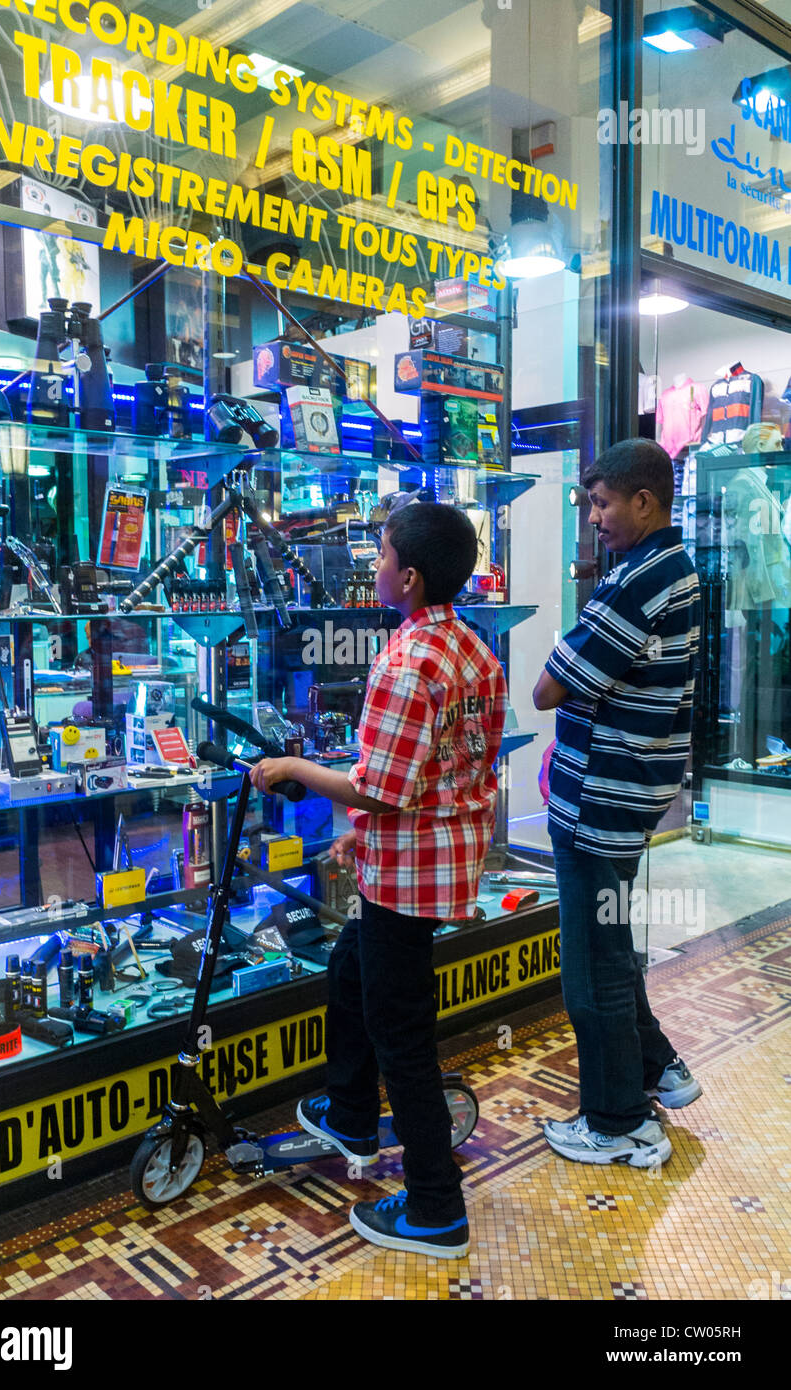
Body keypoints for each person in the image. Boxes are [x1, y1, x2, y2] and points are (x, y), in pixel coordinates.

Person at [250, 501, 506, 1257]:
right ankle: (352, 1111)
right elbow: (451, 772)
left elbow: (381, 784)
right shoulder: (473, 649)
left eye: (384, 553)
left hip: (407, 879)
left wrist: (295, 769)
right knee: (349, 970)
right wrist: (366, 832)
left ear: (411, 576)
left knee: (403, 1038)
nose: (377, 563)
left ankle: (435, 1209)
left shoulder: (406, 660)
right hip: (433, 857)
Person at [533, 438, 703, 1168]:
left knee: (593, 965)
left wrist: (572, 701)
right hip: (624, 790)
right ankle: (656, 1065)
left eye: (603, 504)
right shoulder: (668, 566)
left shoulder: (640, 580)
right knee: (611, 943)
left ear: (644, 500)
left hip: (603, 799)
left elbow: (548, 687)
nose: (595, 518)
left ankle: (618, 1123)